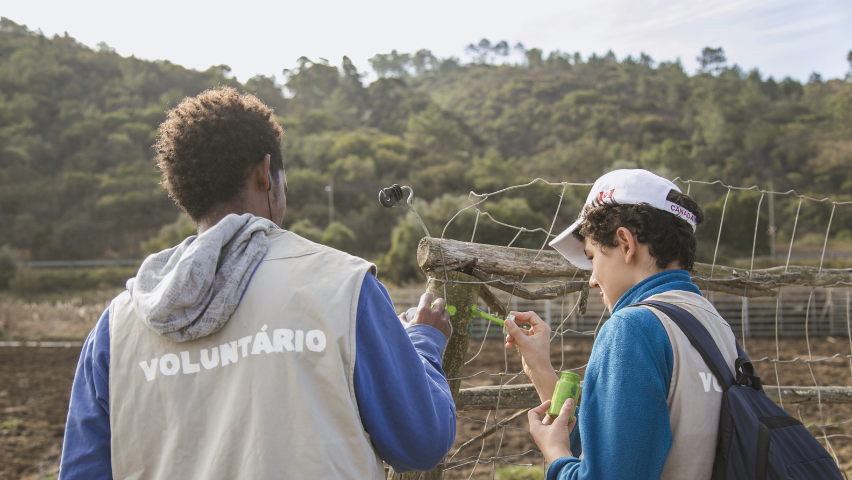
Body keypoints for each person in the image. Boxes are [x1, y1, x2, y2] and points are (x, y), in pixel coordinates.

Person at [58, 87, 456, 479]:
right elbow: (422, 441)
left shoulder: (115, 329)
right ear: (265, 174)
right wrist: (423, 339)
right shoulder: (345, 287)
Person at [505, 169, 741, 480]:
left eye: (592, 257)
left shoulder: (632, 328)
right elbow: (630, 451)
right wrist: (540, 369)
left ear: (626, 244)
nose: (592, 279)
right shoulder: (715, 325)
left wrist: (556, 455)